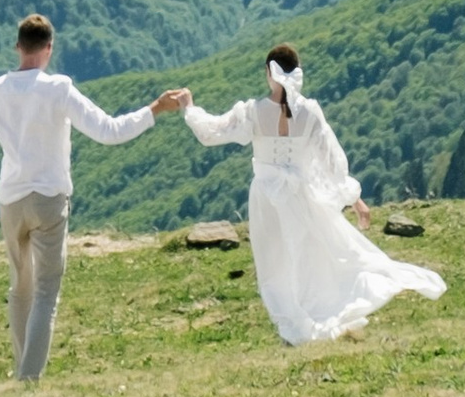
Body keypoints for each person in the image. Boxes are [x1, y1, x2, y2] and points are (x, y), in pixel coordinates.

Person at [0, 15, 191, 383]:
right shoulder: (58, 89)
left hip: (10, 200)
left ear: (18, 47)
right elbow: (108, 131)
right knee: (46, 290)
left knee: (20, 287)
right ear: (49, 48)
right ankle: (29, 377)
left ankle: (22, 368)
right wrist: (155, 108)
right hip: (49, 198)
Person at [181, 43, 446, 345]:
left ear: (268, 72)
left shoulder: (252, 112)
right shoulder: (309, 112)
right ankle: (311, 316)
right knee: (308, 256)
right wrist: (354, 199)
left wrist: (190, 107)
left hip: (265, 198)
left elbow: (211, 132)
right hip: (298, 195)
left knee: (273, 264)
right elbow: (331, 160)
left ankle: (292, 325)